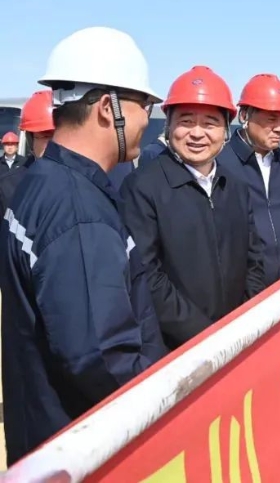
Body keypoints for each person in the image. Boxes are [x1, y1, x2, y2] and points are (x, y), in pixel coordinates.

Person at [0, 26, 166, 465]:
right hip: (82, 449)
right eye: (145, 105)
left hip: (41, 432)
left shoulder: (43, 181)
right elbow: (102, 358)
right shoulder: (78, 213)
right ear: (109, 108)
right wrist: (168, 405)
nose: (147, 120)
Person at [121, 65, 265, 350]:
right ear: (169, 126)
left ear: (225, 130)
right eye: (186, 121)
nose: (197, 134)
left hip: (238, 337)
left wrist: (245, 320)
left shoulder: (236, 186)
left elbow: (255, 258)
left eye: (210, 124)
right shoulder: (142, 188)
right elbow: (148, 277)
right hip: (178, 350)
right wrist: (205, 336)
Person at [218, 73, 280, 287]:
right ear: (244, 115)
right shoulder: (221, 165)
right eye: (271, 119)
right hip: (246, 289)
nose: (279, 127)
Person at [0, 91, 54, 218]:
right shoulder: (7, 187)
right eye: (46, 136)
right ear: (30, 139)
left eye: (60, 135)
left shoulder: (85, 181)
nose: (54, 143)